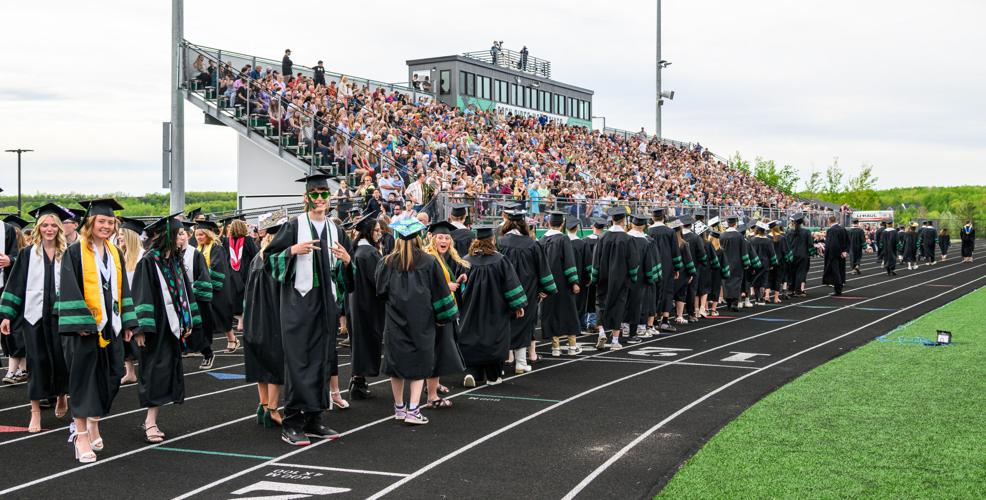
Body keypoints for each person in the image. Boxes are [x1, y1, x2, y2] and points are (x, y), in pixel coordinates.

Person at [265, 172, 355, 444]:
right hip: (298, 303)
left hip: (326, 303)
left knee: (323, 360)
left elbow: (347, 274)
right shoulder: (294, 226)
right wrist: (292, 251)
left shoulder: (335, 229)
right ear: (305, 198)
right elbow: (268, 261)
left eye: (324, 194)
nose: (319, 198)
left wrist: (348, 261)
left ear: (329, 198)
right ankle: (292, 422)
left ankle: (315, 419)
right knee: (298, 360)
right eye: (314, 194)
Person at [57, 198, 138, 463]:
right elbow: (68, 288)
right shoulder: (74, 252)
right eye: (101, 221)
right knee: (83, 381)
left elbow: (123, 288)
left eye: (110, 222)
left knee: (112, 376)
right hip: (84, 330)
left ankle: (93, 421)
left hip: (111, 327)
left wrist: (127, 321)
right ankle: (81, 435)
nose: (106, 225)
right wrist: (80, 323)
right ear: (90, 223)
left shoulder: (115, 252)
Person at [0, 204, 74, 432]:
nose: (49, 229)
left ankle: (62, 394)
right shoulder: (27, 254)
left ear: (59, 228)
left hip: (62, 316)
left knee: (62, 360)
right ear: (38, 227)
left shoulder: (69, 253)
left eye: (53, 225)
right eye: (45, 225)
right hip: (34, 317)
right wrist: (7, 315)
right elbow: (16, 285)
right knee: (36, 362)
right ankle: (34, 412)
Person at [375, 218, 454, 425]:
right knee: (420, 364)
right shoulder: (429, 262)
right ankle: (413, 410)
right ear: (419, 237)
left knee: (396, 364)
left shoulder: (387, 262)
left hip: (395, 321)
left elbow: (380, 291)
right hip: (422, 321)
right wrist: (444, 317)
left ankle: (399, 408)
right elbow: (441, 293)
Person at [131, 214, 200, 444]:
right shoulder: (149, 262)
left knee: (165, 372)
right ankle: (149, 422)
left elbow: (186, 294)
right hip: (156, 327)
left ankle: (152, 419)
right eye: (179, 234)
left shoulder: (174, 261)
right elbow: (141, 295)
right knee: (154, 373)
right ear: (169, 237)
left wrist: (188, 321)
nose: (184, 237)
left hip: (172, 327)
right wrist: (141, 329)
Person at [460, 224, 526, 383]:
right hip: (495, 309)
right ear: (492, 240)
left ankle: (472, 372)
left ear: (476, 240)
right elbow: (510, 284)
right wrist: (518, 305)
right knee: (495, 338)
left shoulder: (465, 261)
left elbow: (457, 286)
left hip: (470, 309)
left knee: (470, 336)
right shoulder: (501, 260)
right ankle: (493, 375)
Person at [497, 210, 554, 376]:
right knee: (524, 323)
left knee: (505, 323)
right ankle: (521, 363)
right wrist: (545, 289)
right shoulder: (532, 244)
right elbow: (543, 268)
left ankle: (503, 360)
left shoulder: (500, 242)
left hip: (504, 290)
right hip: (527, 291)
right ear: (524, 225)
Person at [243, 212, 286, 427]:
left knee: (261, 363)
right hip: (272, 317)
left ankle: (262, 405)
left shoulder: (256, 258)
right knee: (275, 364)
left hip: (253, 317)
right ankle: (273, 409)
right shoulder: (277, 258)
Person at [422, 221, 467, 405]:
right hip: (435, 312)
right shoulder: (430, 258)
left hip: (440, 308)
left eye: (447, 238)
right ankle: (432, 396)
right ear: (431, 239)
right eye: (440, 237)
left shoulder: (439, 258)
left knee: (439, 349)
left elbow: (442, 282)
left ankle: (434, 385)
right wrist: (446, 286)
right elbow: (427, 284)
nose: (444, 240)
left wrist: (455, 281)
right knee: (437, 351)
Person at [347, 213, 385, 401]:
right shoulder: (369, 253)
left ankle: (358, 381)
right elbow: (379, 280)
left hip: (355, 303)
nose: (379, 233)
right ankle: (358, 383)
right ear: (368, 232)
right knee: (366, 342)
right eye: (376, 230)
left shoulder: (356, 251)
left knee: (359, 343)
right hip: (368, 304)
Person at [592, 206, 640, 349]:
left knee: (601, 304)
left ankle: (601, 331)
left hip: (603, 278)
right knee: (618, 306)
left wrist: (594, 279)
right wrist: (633, 277)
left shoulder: (602, 238)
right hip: (620, 280)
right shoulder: (628, 239)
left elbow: (596, 261)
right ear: (623, 220)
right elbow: (633, 262)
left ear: (611, 220)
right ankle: (614, 341)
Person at [538, 212, 582, 356]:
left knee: (552, 313)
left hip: (547, 284)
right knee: (568, 312)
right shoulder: (564, 239)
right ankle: (571, 346)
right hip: (563, 283)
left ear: (548, 223)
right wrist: (574, 282)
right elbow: (569, 262)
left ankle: (555, 347)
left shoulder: (542, 240)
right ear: (562, 224)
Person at [194, 220, 237, 356]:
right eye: (197, 235)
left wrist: (205, 278)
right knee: (207, 317)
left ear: (208, 234)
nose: (199, 237)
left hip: (218, 288)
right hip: (205, 286)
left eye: (202, 234)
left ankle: (232, 338)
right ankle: (204, 345)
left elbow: (218, 267)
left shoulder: (216, 248)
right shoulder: (198, 249)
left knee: (221, 313)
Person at [178, 221, 216, 369]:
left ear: (188, 235)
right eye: (177, 234)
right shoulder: (171, 253)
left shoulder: (194, 253)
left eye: (182, 233)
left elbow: (204, 277)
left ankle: (208, 353)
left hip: (195, 298)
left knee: (198, 329)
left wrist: (191, 291)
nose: (180, 237)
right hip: (179, 298)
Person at [117, 217, 146, 384]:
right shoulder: (122, 255)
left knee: (140, 340)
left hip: (138, 303)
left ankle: (145, 371)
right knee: (125, 341)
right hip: (125, 304)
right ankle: (130, 372)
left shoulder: (143, 256)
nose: (119, 237)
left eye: (122, 234)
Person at [1, 213, 28, 383]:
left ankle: (20, 368)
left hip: (4, 288)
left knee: (9, 329)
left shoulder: (7, 229)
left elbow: (18, 257)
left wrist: (10, 259)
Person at [626, 213, 660, 340]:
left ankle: (623, 328)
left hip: (624, 277)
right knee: (640, 303)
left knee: (624, 303)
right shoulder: (647, 242)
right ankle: (639, 329)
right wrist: (651, 278)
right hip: (641, 278)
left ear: (632, 224)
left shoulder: (624, 238)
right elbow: (649, 263)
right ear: (645, 226)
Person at [647, 208, 680, 333]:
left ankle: (652, 319)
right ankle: (665, 320)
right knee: (667, 291)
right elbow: (675, 250)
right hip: (667, 265)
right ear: (664, 218)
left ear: (652, 218)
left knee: (653, 291)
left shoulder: (648, 231)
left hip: (651, 264)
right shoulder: (670, 231)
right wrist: (677, 267)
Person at [223, 217, 258, 327]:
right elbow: (255, 255)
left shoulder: (226, 241)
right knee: (245, 294)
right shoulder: (248, 240)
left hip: (232, 272)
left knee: (235, 295)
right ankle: (243, 319)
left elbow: (225, 257)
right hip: (246, 271)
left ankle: (238, 319)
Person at [719, 215, 749, 311]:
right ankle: (734, 303)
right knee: (736, 282)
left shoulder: (722, 235)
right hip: (737, 263)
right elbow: (744, 251)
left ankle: (728, 302)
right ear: (735, 224)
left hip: (725, 262)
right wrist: (746, 263)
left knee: (726, 282)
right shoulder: (739, 236)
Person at [671, 219, 698, 324]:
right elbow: (688, 260)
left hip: (671, 272)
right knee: (681, 295)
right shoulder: (683, 244)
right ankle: (679, 316)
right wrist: (692, 273)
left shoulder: (668, 244)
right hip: (682, 273)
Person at [581, 217, 605, 333]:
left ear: (592, 227)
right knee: (598, 299)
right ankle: (594, 323)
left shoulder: (584, 240)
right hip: (601, 275)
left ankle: (584, 323)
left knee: (586, 298)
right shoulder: (605, 240)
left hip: (586, 275)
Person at [681, 216, 706, 321]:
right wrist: (703, 263)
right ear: (691, 225)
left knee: (680, 291)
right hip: (693, 267)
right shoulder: (696, 238)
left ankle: (678, 314)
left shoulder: (676, 236)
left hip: (680, 268)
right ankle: (690, 314)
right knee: (691, 291)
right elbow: (702, 254)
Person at [749, 221, 777, 303]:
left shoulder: (752, 240)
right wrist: (773, 264)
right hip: (766, 263)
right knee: (763, 281)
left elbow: (750, 252)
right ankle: (761, 298)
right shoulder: (768, 241)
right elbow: (772, 253)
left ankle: (757, 298)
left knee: (755, 280)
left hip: (755, 263)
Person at [785, 213, 813, 296]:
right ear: (802, 222)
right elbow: (810, 244)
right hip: (803, 255)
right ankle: (798, 291)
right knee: (800, 273)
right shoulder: (806, 232)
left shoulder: (789, 232)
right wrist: (812, 253)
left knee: (791, 272)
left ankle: (790, 289)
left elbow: (787, 244)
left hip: (792, 255)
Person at [767, 221, 790, 303]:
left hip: (769, 262)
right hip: (780, 262)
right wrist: (788, 261)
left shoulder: (767, 238)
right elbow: (785, 251)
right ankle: (776, 298)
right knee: (778, 279)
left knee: (769, 279)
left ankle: (767, 296)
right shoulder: (782, 238)